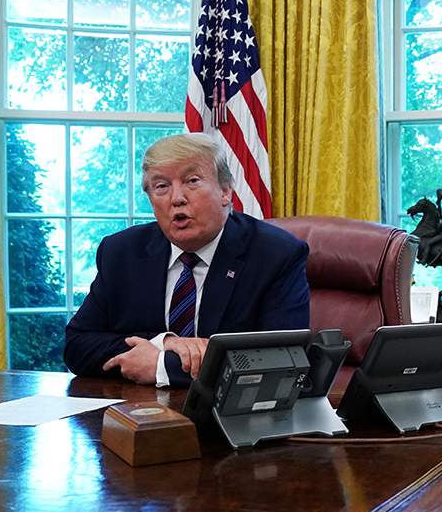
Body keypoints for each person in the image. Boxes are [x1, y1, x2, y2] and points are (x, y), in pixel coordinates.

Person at [63, 133, 310, 388]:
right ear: (151, 200)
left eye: (192, 181)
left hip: (230, 421)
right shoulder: (121, 252)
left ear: (225, 192)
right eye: (161, 186)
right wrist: (164, 343)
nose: (176, 198)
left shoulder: (275, 254)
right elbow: (78, 346)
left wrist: (162, 366)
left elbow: (282, 362)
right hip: (139, 416)